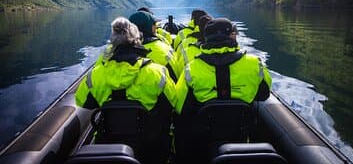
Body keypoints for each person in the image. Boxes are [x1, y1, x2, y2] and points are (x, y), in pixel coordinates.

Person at [75, 17, 177, 164]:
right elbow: (174, 103)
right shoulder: (157, 73)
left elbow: (83, 102)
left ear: (113, 42)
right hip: (150, 146)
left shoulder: (95, 74)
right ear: (138, 40)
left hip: (108, 144)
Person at [174, 17, 272, 163]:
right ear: (230, 36)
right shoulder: (254, 63)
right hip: (241, 133)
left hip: (204, 138)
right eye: (234, 32)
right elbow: (264, 94)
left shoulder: (192, 68)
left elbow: (180, 108)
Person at [129, 11, 180, 81]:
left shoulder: (115, 52)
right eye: (154, 24)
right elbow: (176, 77)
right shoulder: (164, 50)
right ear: (148, 27)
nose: (156, 26)